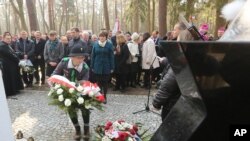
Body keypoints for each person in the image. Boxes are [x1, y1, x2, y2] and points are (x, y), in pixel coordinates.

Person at [52, 45, 90, 140]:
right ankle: (77, 129)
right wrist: (56, 82)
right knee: (70, 109)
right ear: (71, 57)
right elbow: (55, 73)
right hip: (66, 90)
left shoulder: (85, 67)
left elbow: (85, 82)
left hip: (80, 90)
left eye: (83, 57)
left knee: (85, 108)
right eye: (78, 58)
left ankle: (86, 128)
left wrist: (80, 84)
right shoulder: (64, 62)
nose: (81, 60)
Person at [91, 31, 114, 103]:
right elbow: (93, 56)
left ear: (106, 37)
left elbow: (111, 57)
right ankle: (99, 96)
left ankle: (105, 96)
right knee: (98, 83)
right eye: (100, 36)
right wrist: (92, 66)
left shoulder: (109, 45)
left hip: (106, 66)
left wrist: (112, 67)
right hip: (97, 66)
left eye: (103, 36)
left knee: (105, 83)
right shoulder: (95, 44)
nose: (102, 38)